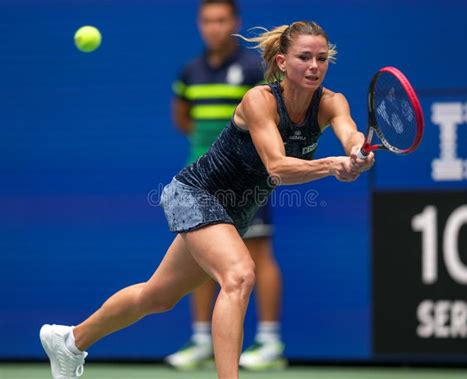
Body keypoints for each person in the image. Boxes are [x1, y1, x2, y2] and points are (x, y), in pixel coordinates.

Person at [39, 20, 374, 379]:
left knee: (158, 296)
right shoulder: (259, 100)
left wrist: (356, 151)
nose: (314, 66)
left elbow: (349, 131)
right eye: (304, 57)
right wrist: (331, 165)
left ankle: (71, 340)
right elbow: (277, 167)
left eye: (322, 59)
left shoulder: (331, 103)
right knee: (240, 274)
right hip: (196, 193)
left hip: (234, 212)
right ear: (281, 62)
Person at [166, 0, 285, 371]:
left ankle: (269, 342)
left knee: (258, 254)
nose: (213, 27)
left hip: (246, 179)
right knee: (201, 259)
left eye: (221, 20)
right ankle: (202, 339)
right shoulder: (190, 72)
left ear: (234, 23)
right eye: (207, 21)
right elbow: (182, 118)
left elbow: (270, 117)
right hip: (200, 179)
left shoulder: (253, 69)